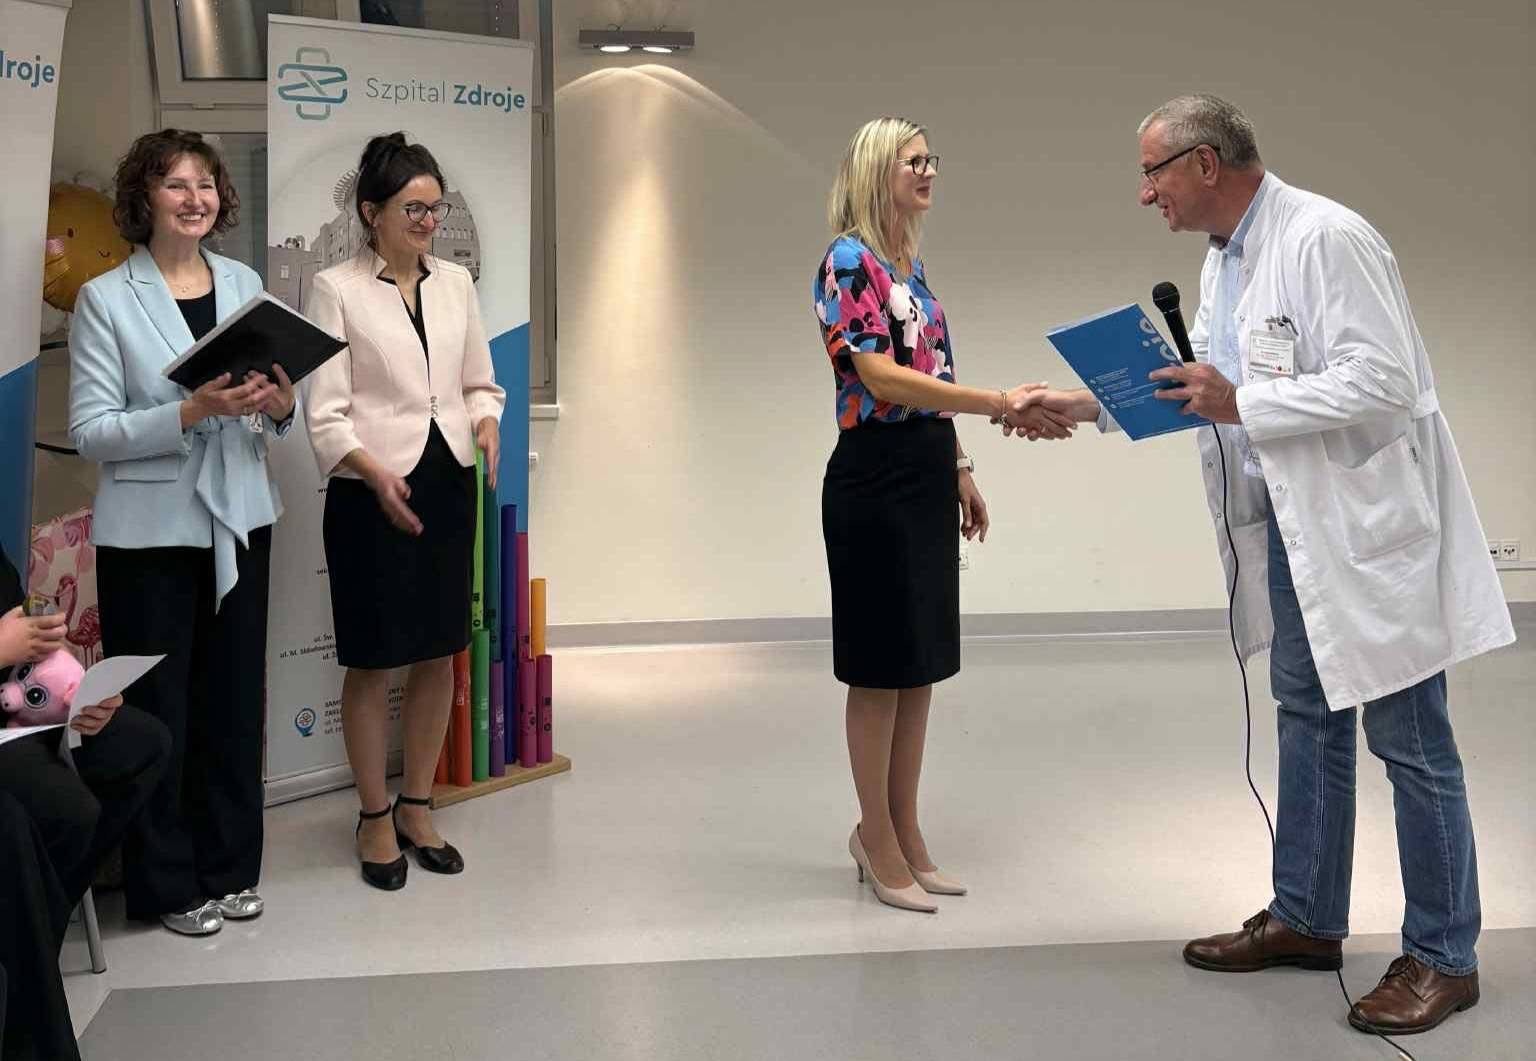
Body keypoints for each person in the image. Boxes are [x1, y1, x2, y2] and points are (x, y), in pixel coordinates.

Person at [1031, 94, 1513, 1036]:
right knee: (1308, 721)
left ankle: (1445, 956)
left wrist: (1244, 401)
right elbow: (1201, 389)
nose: (1145, 193)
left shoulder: (1328, 237)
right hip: (1295, 530)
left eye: (1153, 172)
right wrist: (1081, 405)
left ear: (1205, 163)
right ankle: (1308, 915)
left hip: (1369, 535)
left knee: (1412, 742)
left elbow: (1385, 378)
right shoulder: (1226, 260)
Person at [815, 117, 1074, 914]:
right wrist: (996, 401)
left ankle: (905, 828)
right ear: (876, 171)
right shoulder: (849, 261)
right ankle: (874, 835)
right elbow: (881, 377)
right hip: (873, 476)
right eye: (913, 161)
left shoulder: (912, 270)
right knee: (878, 667)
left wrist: (960, 466)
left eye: (932, 160)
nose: (928, 171)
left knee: (919, 663)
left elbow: (930, 373)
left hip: (926, 470)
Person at [67, 129, 297, 936]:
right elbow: (91, 431)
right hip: (149, 535)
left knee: (234, 704)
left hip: (241, 516)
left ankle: (231, 866)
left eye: (205, 184)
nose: (195, 198)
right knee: (161, 711)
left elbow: (271, 400)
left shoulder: (242, 283)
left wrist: (281, 404)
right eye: (175, 183)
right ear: (145, 197)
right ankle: (167, 883)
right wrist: (190, 412)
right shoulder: (105, 298)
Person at [302, 133, 506, 890]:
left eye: (435, 208)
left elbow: (479, 383)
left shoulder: (456, 283)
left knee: (439, 650)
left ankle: (417, 805)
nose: (428, 222)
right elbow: (325, 413)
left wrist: (487, 420)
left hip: (447, 481)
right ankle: (373, 816)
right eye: (413, 209)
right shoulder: (336, 289)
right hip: (370, 493)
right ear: (371, 212)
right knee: (372, 656)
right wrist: (370, 470)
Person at [0, 546, 171, 1061]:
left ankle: (30, 956)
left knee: (141, 746)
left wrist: (76, 693)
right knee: (46, 818)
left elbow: (26, 632)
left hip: (14, 712)